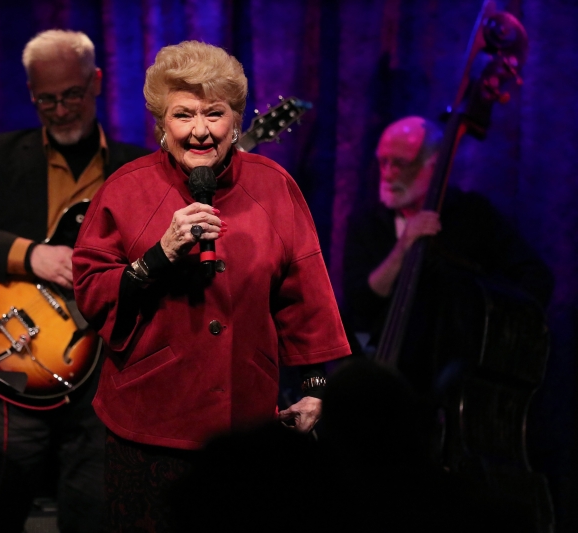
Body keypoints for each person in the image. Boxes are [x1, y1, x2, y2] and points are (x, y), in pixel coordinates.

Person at [71, 40, 351, 532]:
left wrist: (315, 386)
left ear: (236, 121)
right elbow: (92, 293)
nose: (200, 130)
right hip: (148, 426)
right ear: (161, 124)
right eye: (183, 115)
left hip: (247, 429)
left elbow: (304, 298)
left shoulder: (274, 186)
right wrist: (158, 257)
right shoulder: (124, 189)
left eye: (214, 114)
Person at [0, 29, 149, 533]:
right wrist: (34, 257)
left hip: (101, 374)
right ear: (30, 94)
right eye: (45, 99)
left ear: (96, 82)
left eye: (72, 94)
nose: (60, 109)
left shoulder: (137, 168)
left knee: (94, 512)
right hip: (18, 357)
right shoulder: (2, 155)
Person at [342, 115, 554, 389]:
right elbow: (360, 299)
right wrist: (403, 247)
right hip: (387, 370)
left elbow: (536, 278)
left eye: (401, 163)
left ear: (433, 165)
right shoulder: (367, 223)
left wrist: (497, 334)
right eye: (383, 161)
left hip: (458, 372)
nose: (388, 172)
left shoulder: (473, 215)